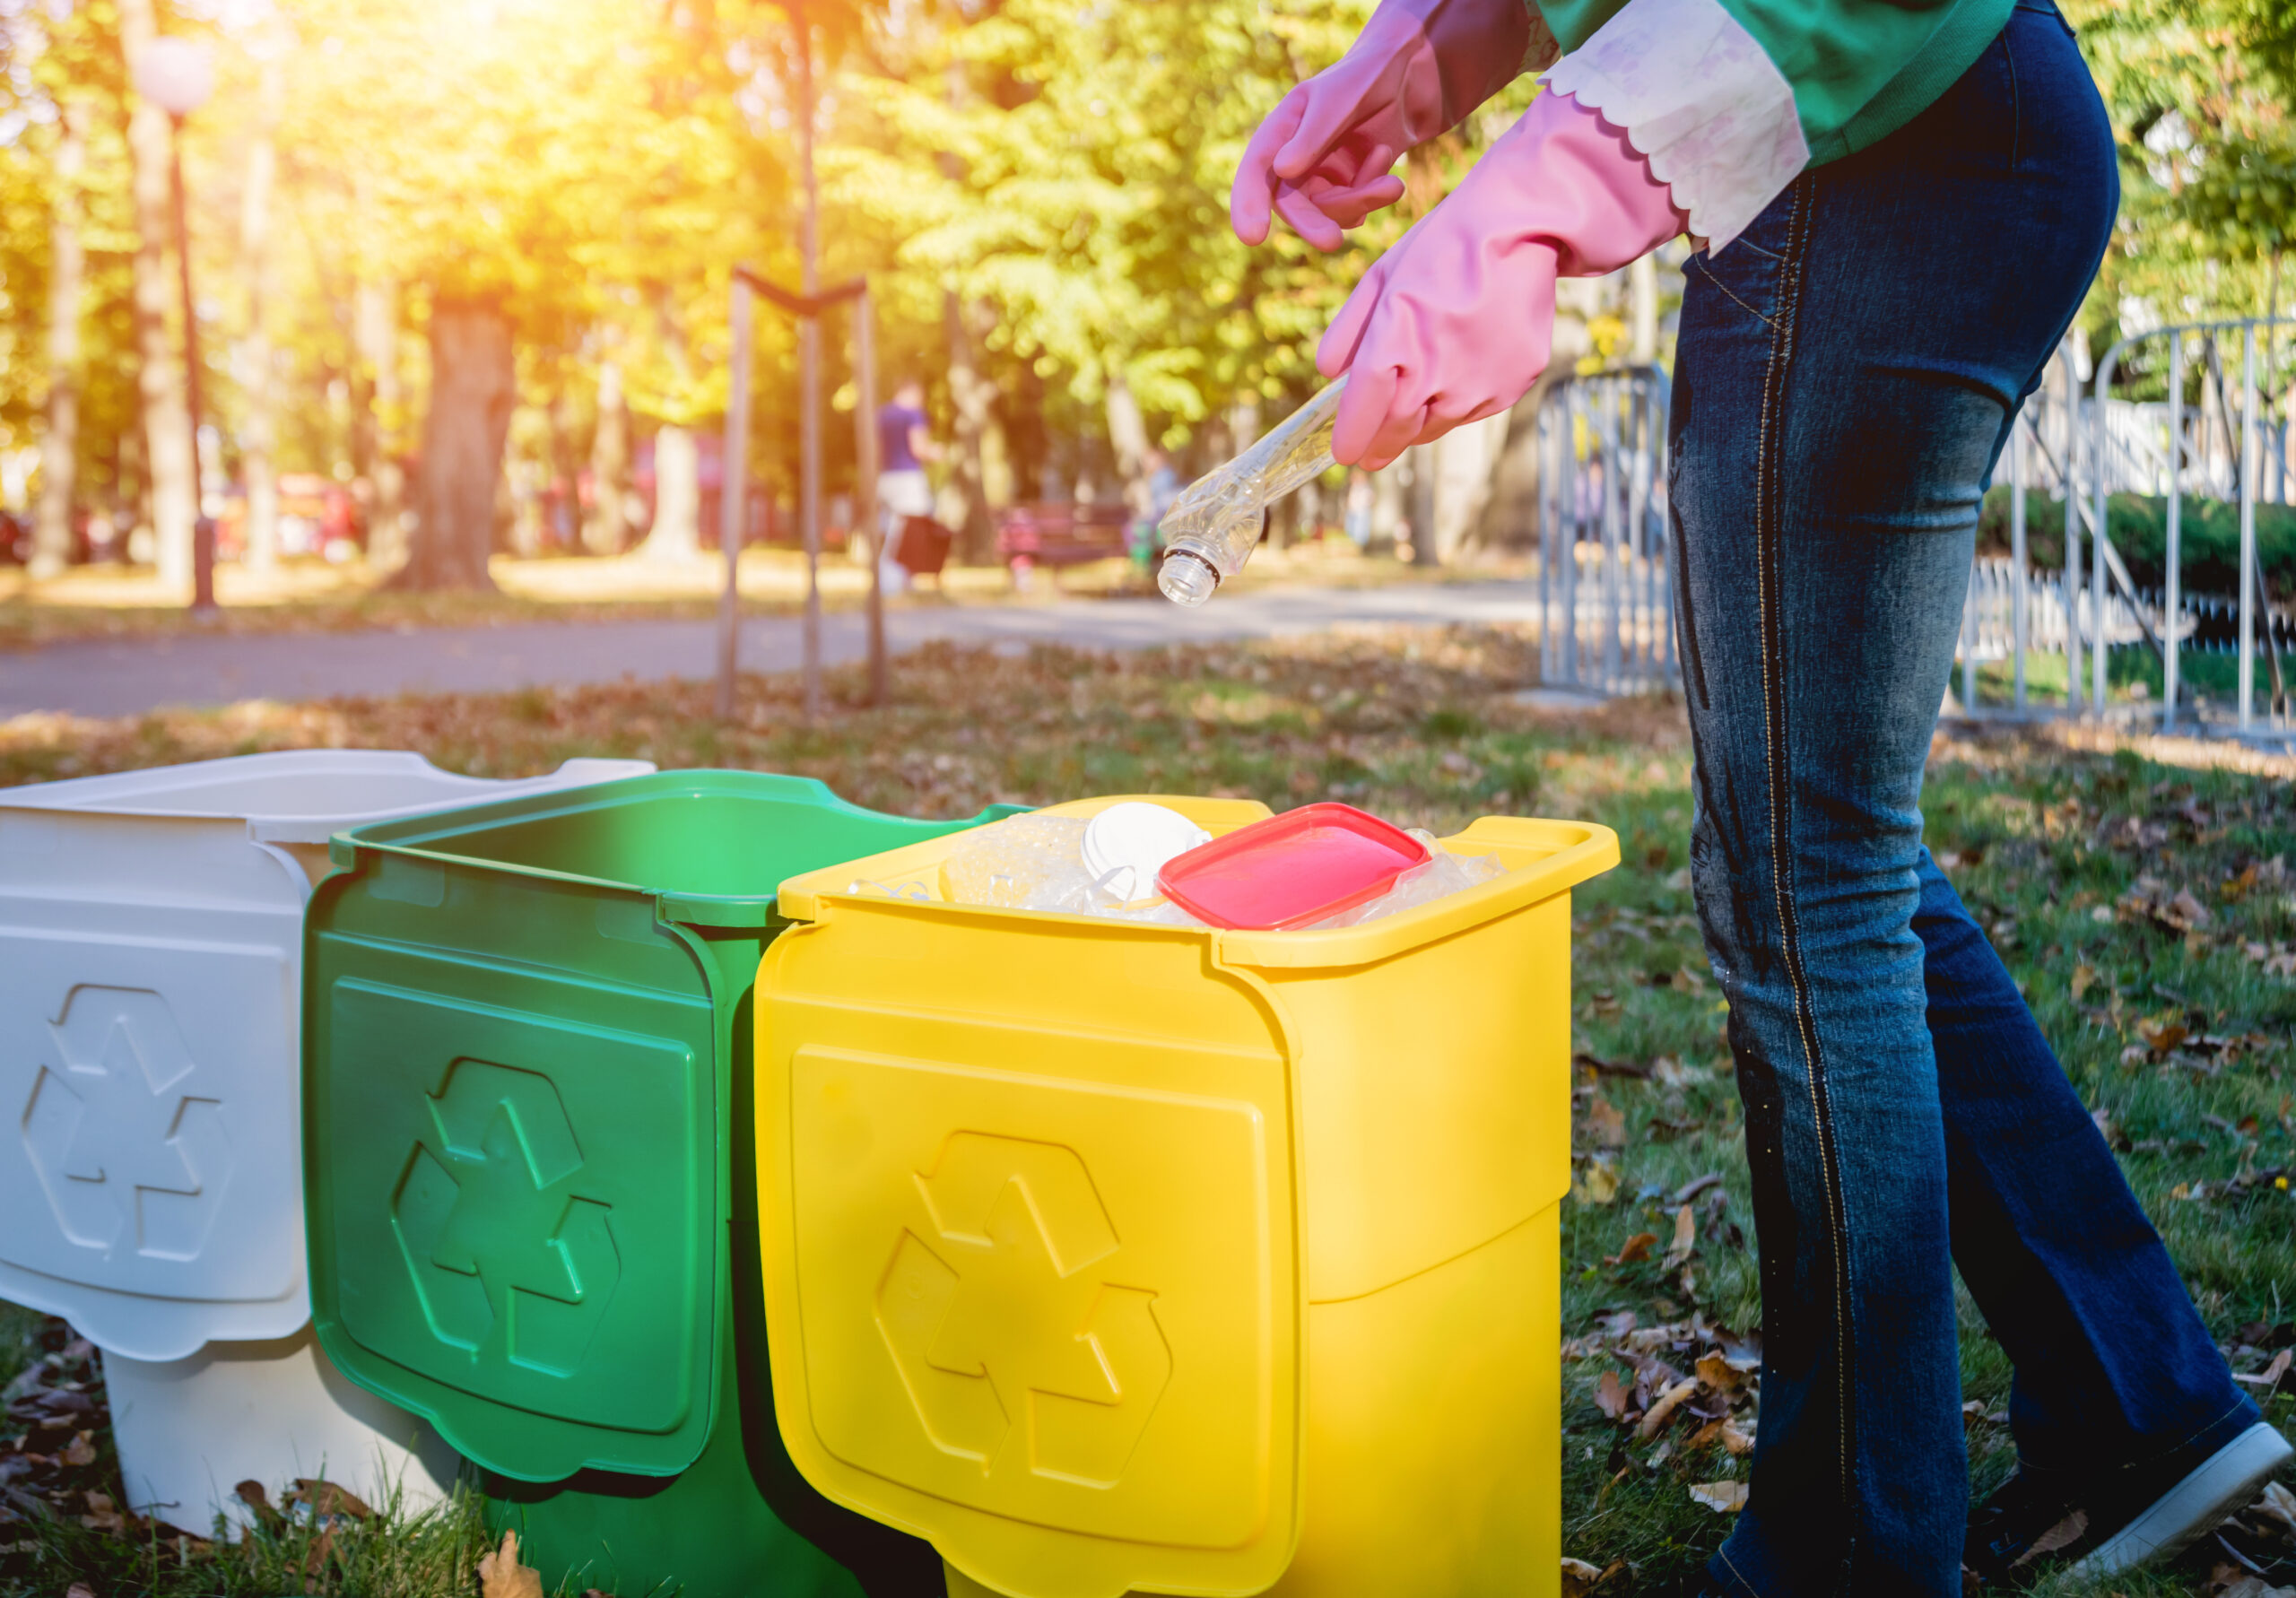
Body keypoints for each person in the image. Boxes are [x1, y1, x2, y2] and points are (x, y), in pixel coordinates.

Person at [1231, 1, 2291, 1593]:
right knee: (1832, 860)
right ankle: (2135, 1401)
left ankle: (1850, 1553)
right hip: (1912, 141)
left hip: (1876, 142)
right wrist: (1420, 70)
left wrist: (1526, 197)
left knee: (1812, 884)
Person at [875, 378, 944, 595]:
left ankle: (902, 580)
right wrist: (936, 452)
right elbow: (918, 448)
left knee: (892, 529)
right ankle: (891, 582)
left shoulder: (882, 415)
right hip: (908, 478)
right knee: (908, 531)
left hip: (885, 478)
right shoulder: (913, 415)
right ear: (912, 393)